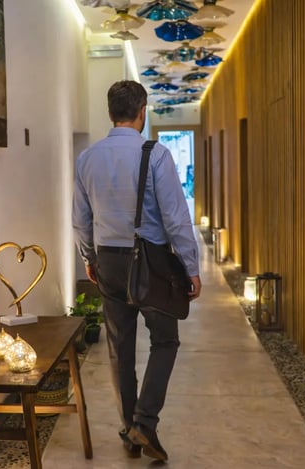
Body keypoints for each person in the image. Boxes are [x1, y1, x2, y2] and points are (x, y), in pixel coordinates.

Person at [72, 80, 202, 462]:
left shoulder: (87, 158)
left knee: (119, 349)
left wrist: (88, 259)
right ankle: (144, 423)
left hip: (108, 261)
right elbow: (175, 218)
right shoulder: (156, 154)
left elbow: (82, 220)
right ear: (142, 111)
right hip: (151, 260)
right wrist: (191, 266)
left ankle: (131, 432)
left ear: (110, 112)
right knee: (165, 340)